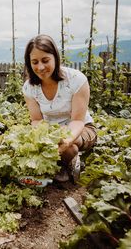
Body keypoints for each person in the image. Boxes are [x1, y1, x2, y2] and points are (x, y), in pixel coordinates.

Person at [22, 34, 97, 183]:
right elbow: (36, 120)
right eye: (34, 62)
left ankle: (67, 163)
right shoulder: (29, 87)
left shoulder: (76, 79)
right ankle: (64, 160)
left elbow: (77, 121)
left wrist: (66, 139)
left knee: (70, 147)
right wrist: (43, 138)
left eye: (45, 60)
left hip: (82, 130)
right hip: (52, 132)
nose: (40, 67)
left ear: (55, 57)